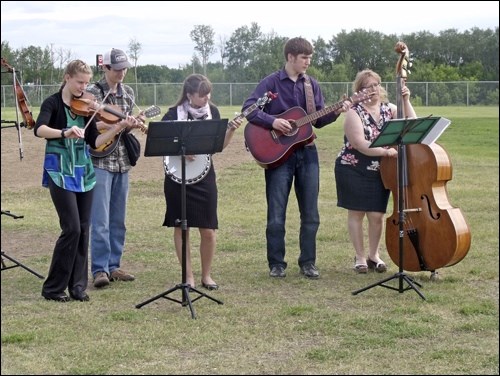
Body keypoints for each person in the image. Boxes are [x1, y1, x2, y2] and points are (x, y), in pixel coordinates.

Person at [242, 37, 350, 279]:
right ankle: (277, 263)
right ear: (290, 57)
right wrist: (273, 121)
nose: (308, 62)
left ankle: (308, 263)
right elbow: (249, 109)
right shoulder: (270, 83)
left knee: (311, 212)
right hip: (278, 154)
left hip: (307, 153)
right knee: (277, 211)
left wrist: (336, 112)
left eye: (310, 57)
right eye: (304, 58)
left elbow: (317, 120)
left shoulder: (311, 85)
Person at [34, 59, 130, 302]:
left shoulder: (87, 109)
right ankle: (53, 288)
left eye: (86, 83)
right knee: (72, 228)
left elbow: (95, 142)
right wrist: (64, 132)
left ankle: (77, 286)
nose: (83, 88)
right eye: (79, 82)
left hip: (83, 172)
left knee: (84, 229)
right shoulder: (53, 103)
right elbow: (39, 129)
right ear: (67, 78)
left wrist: (117, 128)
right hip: (60, 170)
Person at [161, 73, 242, 290]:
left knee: (208, 229)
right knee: (181, 228)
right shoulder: (172, 115)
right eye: (202, 95)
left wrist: (231, 130)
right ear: (189, 95)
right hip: (178, 178)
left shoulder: (212, 112)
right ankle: (188, 276)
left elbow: (218, 147)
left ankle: (207, 275)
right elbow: (162, 144)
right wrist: (181, 149)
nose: (207, 98)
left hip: (205, 177)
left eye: (208, 94)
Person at [334, 69, 416, 273]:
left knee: (377, 215)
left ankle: (374, 256)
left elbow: (412, 125)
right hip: (353, 168)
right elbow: (360, 143)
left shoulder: (390, 109)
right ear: (360, 90)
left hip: (380, 171)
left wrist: (406, 100)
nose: (374, 89)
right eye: (368, 86)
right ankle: (360, 258)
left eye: (376, 85)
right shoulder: (355, 112)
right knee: (357, 213)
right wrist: (386, 152)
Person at [86, 48, 145, 288]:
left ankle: (114, 265)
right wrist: (114, 123)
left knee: (118, 219)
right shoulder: (92, 92)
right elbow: (90, 125)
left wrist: (131, 124)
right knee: (100, 219)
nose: (122, 73)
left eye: (125, 69)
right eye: (118, 69)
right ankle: (99, 269)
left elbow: (125, 126)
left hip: (122, 161)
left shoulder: (128, 93)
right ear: (106, 68)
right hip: (100, 160)